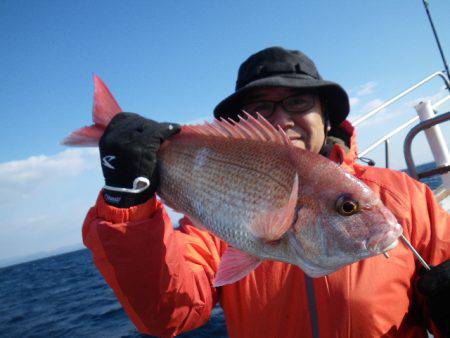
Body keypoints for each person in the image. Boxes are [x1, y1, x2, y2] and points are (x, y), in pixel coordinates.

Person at [83, 47, 450, 337]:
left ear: (326, 116)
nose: (280, 120)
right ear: (243, 126)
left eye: (298, 102)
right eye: (261, 109)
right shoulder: (214, 226)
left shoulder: (407, 197)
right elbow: (167, 315)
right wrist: (126, 204)